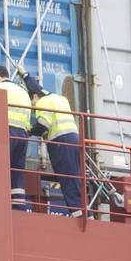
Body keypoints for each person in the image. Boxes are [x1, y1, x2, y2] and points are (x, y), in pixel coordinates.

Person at [26, 78, 84, 217]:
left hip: (59, 142)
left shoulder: (42, 102)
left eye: (32, 104)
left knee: (66, 178)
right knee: (75, 177)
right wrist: (25, 75)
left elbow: (43, 125)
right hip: (73, 139)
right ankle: (85, 212)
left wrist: (28, 132)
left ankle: (77, 214)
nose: (33, 108)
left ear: (35, 96)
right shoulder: (60, 99)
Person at [0, 65, 33, 210]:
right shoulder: (23, 92)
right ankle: (18, 204)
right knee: (17, 169)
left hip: (5, 132)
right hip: (23, 135)